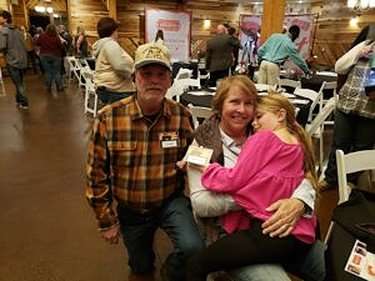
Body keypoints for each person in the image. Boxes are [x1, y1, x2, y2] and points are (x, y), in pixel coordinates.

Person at [182, 75, 324, 281]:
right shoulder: (202, 145)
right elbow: (201, 204)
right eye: (234, 102)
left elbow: (307, 175)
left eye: (249, 103)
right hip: (232, 232)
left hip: (283, 227)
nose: (242, 110)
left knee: (338, 264)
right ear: (220, 106)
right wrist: (261, 196)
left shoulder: (263, 133)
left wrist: (298, 201)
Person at [86, 41, 204, 281]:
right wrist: (106, 220)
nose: (154, 80)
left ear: (170, 81)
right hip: (132, 208)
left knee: (194, 249)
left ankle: (171, 270)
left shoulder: (182, 116)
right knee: (141, 267)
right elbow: (96, 174)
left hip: (170, 201)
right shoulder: (108, 118)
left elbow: (194, 155)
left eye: (161, 74)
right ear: (134, 78)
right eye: (146, 74)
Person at [321, 24, 375, 190]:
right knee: (339, 143)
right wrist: (360, 52)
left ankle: (349, 181)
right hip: (347, 103)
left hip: (371, 111)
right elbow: (339, 67)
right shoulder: (365, 45)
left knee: (362, 147)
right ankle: (330, 179)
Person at [93, 17, 135, 105]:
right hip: (117, 90)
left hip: (108, 89)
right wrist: (133, 75)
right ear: (113, 31)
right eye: (116, 30)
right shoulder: (110, 44)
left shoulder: (103, 44)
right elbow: (120, 67)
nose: (117, 33)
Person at [0, 9, 29, 109]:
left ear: (5, 18)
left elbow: (2, 46)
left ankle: (24, 103)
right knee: (19, 81)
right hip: (22, 59)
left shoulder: (3, 30)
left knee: (18, 83)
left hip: (12, 60)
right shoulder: (17, 29)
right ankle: (19, 100)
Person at [36, 24, 65, 93]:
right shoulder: (56, 37)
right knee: (57, 72)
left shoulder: (42, 36)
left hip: (44, 56)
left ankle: (48, 87)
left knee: (48, 72)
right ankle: (59, 87)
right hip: (56, 56)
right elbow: (60, 47)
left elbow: (37, 43)